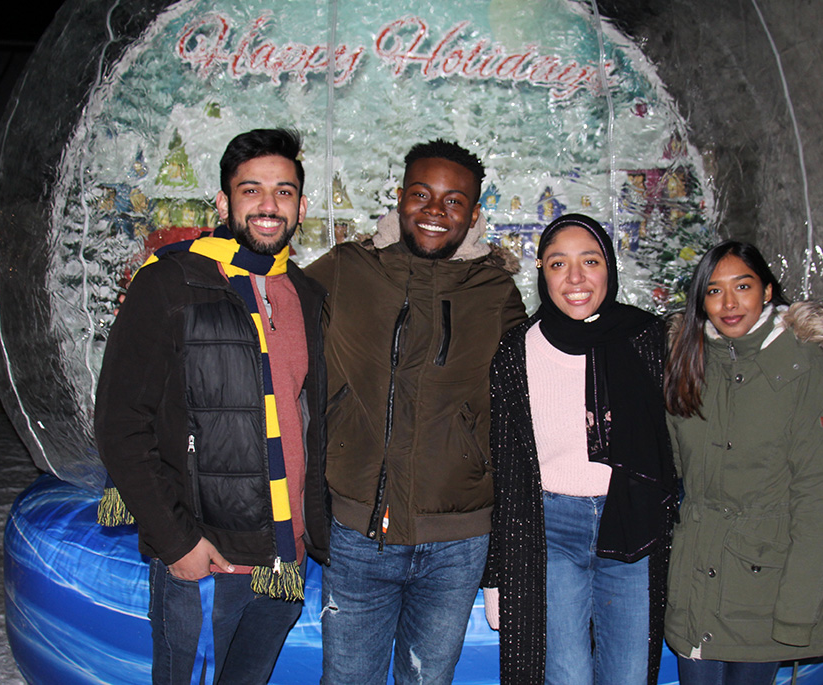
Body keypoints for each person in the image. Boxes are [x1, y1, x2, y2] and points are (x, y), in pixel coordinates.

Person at [94, 129, 329, 684]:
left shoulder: (306, 294)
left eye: (284, 191)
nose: (269, 205)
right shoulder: (170, 283)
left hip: (281, 556)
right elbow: (121, 424)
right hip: (203, 556)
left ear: (299, 205)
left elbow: (312, 420)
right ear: (223, 202)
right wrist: (176, 541)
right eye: (252, 190)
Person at [304, 139, 527, 684]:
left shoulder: (495, 290)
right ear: (400, 198)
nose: (435, 211)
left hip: (458, 541)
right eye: (422, 194)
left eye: (454, 201)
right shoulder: (346, 269)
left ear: (474, 215)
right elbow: (268, 313)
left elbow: (523, 402)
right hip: (359, 532)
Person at [482, 214, 677, 684]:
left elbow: (681, 440)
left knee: (629, 676)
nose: (575, 278)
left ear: (608, 268)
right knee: (565, 675)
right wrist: (496, 573)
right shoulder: (516, 351)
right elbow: (506, 470)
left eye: (589, 261)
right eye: (557, 263)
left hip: (630, 525)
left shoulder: (649, 339)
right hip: (549, 530)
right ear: (541, 273)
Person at [662, 241, 823, 684]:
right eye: (714, 291)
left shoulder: (801, 366)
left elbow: (815, 495)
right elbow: (670, 466)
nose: (729, 303)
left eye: (742, 286)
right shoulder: (688, 361)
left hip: (764, 581)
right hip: (695, 574)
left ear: (767, 291)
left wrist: (800, 610)